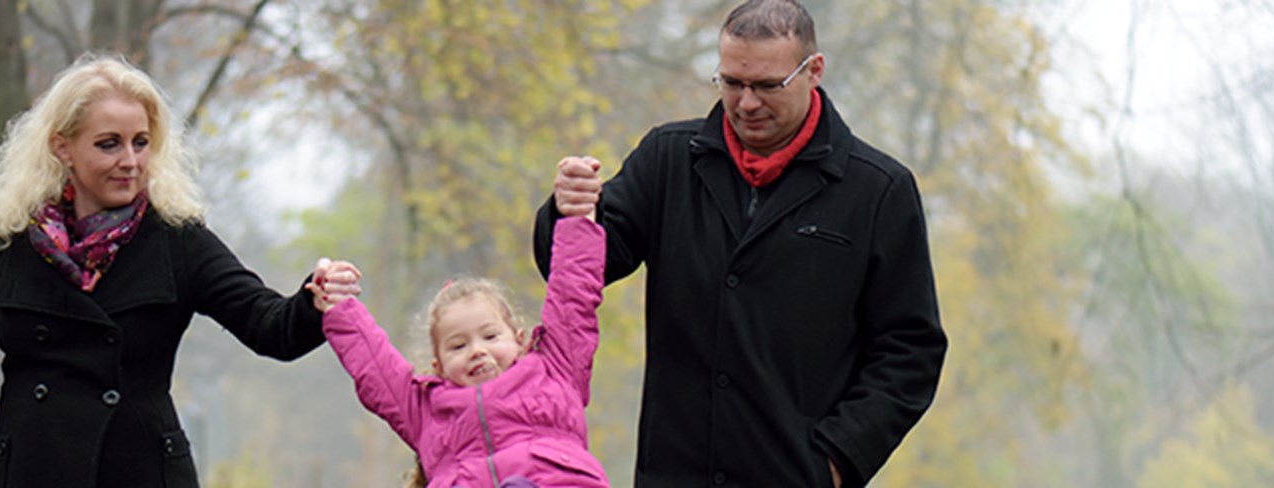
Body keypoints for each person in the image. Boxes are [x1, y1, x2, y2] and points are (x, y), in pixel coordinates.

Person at [0, 55, 353, 488]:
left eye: (141, 142)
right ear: (63, 147)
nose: (130, 161)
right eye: (109, 144)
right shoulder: (6, 245)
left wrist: (315, 298)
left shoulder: (177, 240)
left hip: (139, 473)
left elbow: (270, 327)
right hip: (31, 473)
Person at [532, 1, 948, 486]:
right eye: (731, 82)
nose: (747, 103)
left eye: (768, 86)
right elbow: (584, 268)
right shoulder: (667, 158)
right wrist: (571, 212)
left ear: (814, 71)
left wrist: (836, 460)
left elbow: (910, 351)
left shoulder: (879, 190)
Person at [309, 213, 610, 488]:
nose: (477, 351)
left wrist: (577, 216)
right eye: (458, 346)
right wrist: (339, 306)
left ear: (519, 340)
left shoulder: (555, 370)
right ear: (438, 365)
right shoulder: (424, 411)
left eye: (490, 336)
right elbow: (376, 368)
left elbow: (573, 299)